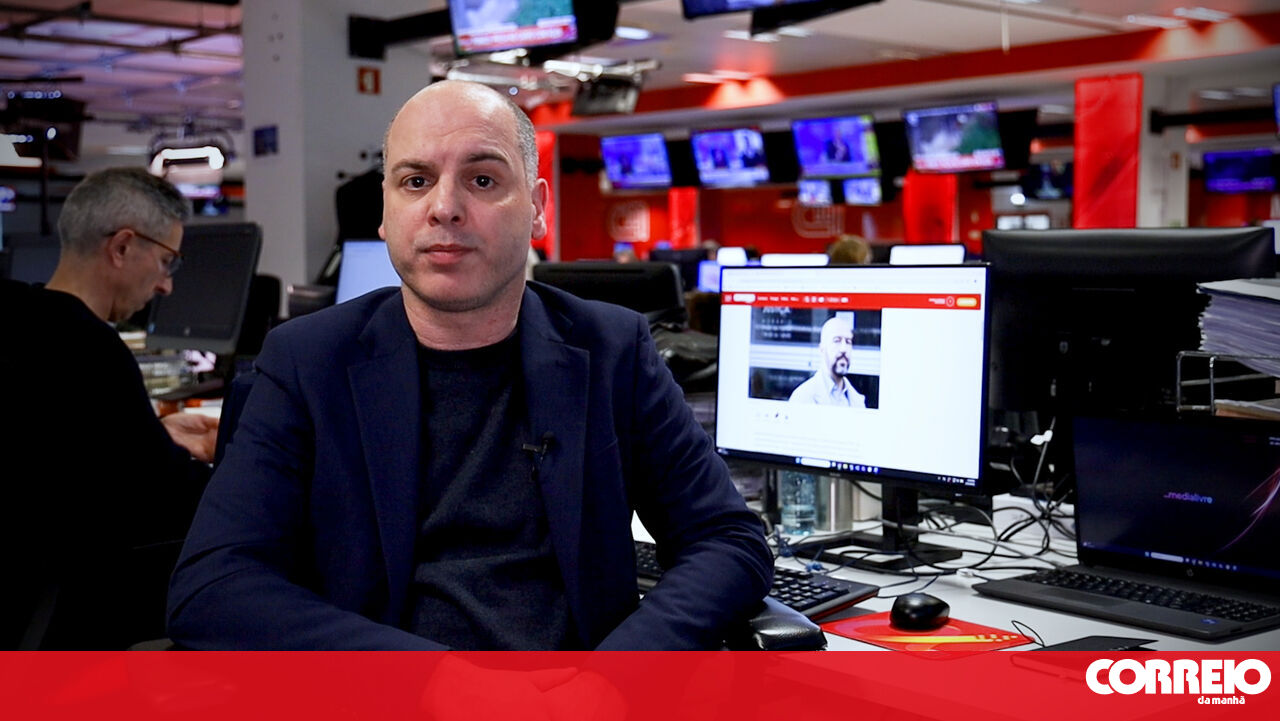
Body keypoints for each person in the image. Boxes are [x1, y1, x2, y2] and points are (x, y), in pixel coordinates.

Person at [167, 80, 773, 651]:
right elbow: (212, 586)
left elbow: (727, 538)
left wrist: (616, 676)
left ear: (537, 208)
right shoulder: (306, 362)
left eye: (482, 180)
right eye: (415, 181)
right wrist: (438, 681)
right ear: (385, 212)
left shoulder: (614, 350)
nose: (445, 207)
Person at [0, 167, 217, 649]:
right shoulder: (89, 348)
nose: (166, 286)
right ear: (121, 247)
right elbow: (171, 499)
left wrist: (156, 434)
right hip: (58, 627)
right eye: (167, 262)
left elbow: (81, 444)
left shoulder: (14, 315)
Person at [788, 315, 866, 408]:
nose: (844, 349)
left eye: (848, 341)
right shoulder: (802, 398)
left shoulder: (858, 401)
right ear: (822, 349)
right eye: (837, 341)